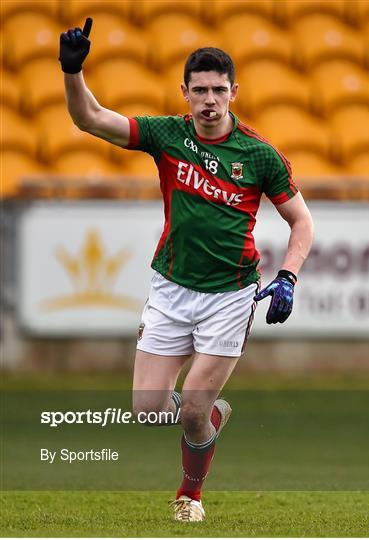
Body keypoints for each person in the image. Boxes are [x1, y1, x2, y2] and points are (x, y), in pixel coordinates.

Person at [60, 18, 314, 522]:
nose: (209, 100)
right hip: (171, 287)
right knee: (148, 411)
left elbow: (300, 222)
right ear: (185, 92)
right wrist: (72, 70)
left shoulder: (259, 155)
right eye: (199, 90)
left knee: (191, 411)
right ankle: (212, 413)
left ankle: (189, 497)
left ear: (234, 93)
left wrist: (288, 276)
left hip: (231, 295)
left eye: (219, 89)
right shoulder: (167, 136)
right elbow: (89, 118)